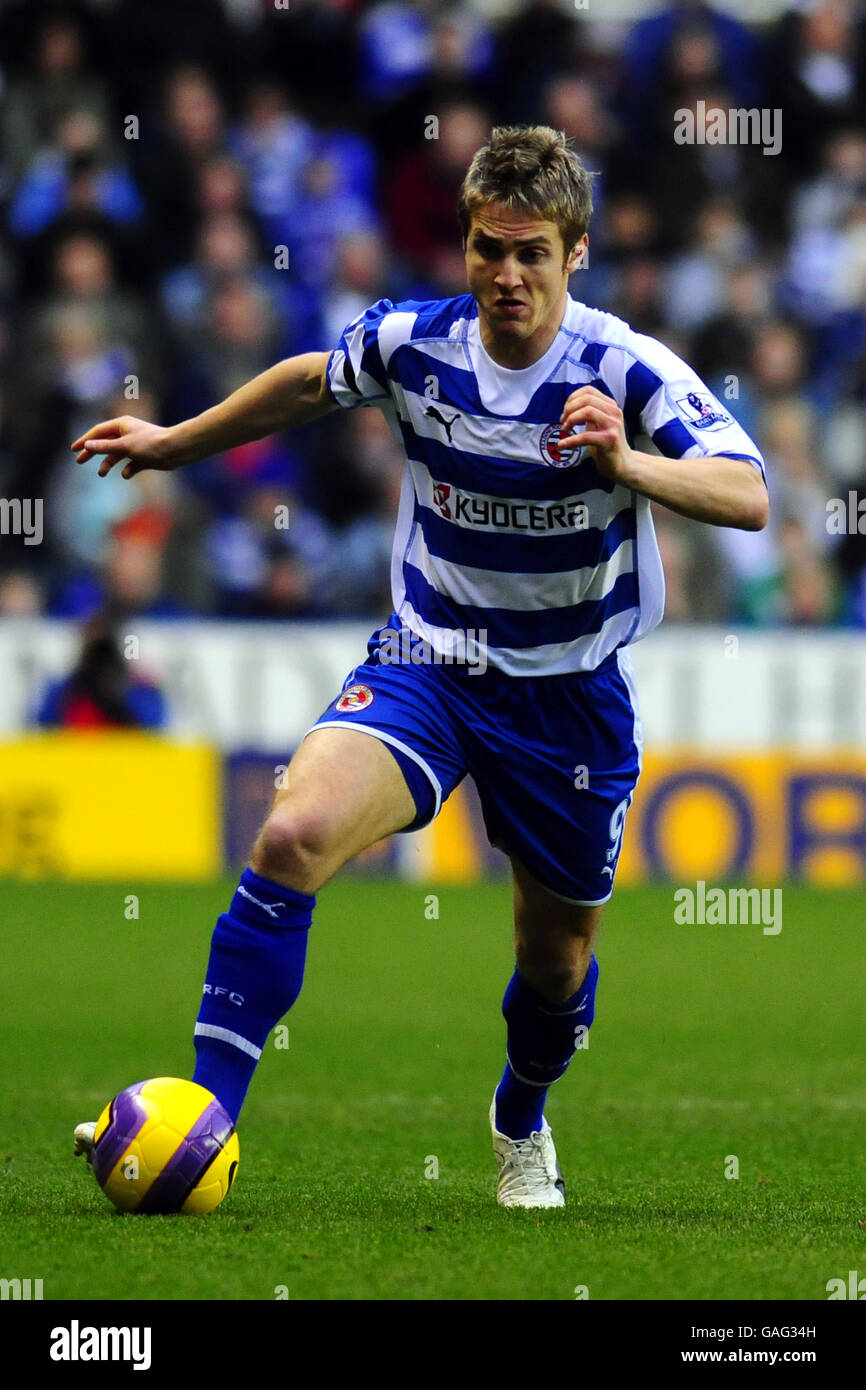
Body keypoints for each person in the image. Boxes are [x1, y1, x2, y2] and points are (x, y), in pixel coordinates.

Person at [71, 126, 768, 1208]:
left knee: (554, 964)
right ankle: (203, 1120)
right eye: (487, 250)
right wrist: (171, 443)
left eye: (530, 252)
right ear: (463, 249)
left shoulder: (624, 369)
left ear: (572, 254)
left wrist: (627, 461)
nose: (505, 275)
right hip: (426, 661)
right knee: (293, 830)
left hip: (566, 698)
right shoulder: (412, 345)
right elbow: (310, 381)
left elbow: (747, 492)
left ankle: (520, 1117)